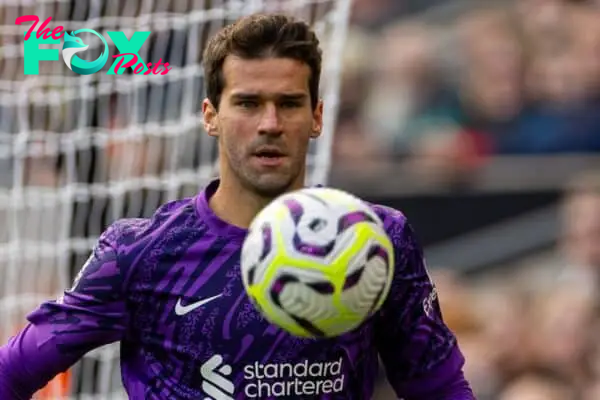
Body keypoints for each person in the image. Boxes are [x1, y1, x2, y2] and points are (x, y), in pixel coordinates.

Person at [0, 13, 474, 399]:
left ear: (316, 117)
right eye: (248, 103)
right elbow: (14, 371)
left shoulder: (376, 239)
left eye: (288, 104)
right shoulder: (141, 252)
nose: (269, 122)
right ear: (211, 116)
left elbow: (439, 387)